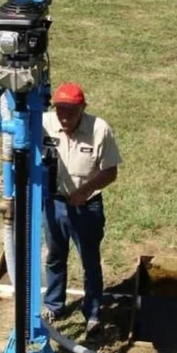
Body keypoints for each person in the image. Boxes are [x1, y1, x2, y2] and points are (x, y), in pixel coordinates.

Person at [41, 82, 121, 337]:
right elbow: (18, 150)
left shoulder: (99, 129)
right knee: (54, 255)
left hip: (87, 207)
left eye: (70, 111)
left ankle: (93, 312)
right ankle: (54, 305)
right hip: (52, 204)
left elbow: (111, 171)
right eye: (60, 110)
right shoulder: (43, 123)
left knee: (89, 260)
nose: (64, 117)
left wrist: (85, 191)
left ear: (83, 108)